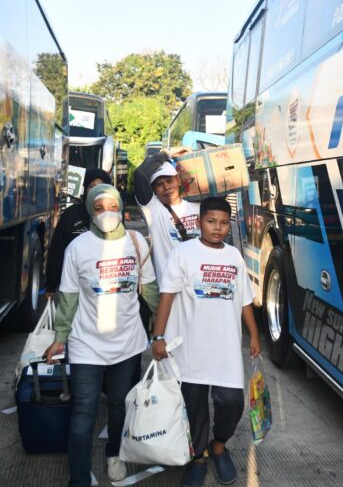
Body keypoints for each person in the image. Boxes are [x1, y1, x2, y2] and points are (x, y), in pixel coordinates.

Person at [44, 184, 158, 486]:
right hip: (86, 343)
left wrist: (165, 328)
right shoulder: (78, 247)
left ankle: (114, 453)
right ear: (90, 212)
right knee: (84, 411)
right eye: (98, 208)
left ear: (120, 208)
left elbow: (149, 290)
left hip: (128, 342)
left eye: (112, 206)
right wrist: (60, 337)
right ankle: (79, 477)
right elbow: (68, 296)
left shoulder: (136, 242)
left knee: (120, 403)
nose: (106, 213)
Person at [151, 196, 260, 487]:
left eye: (223, 223)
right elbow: (167, 295)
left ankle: (219, 445)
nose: (217, 228)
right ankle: (197, 457)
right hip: (191, 348)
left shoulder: (234, 256)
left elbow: (245, 300)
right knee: (194, 406)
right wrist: (159, 337)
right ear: (200, 222)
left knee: (232, 402)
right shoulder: (183, 253)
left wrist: (254, 334)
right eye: (211, 221)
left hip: (226, 348)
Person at [133, 149, 200, 311]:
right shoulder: (153, 209)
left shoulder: (198, 206)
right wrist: (165, 154)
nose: (166, 187)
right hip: (170, 292)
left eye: (169, 181)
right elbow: (140, 175)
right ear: (154, 190)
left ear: (178, 180)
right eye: (159, 184)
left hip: (198, 286)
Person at [44, 167, 112, 299]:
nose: (96, 191)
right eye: (92, 186)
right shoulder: (71, 215)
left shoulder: (114, 215)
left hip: (105, 287)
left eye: (101, 186)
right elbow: (57, 250)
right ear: (85, 189)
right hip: (73, 286)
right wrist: (51, 285)